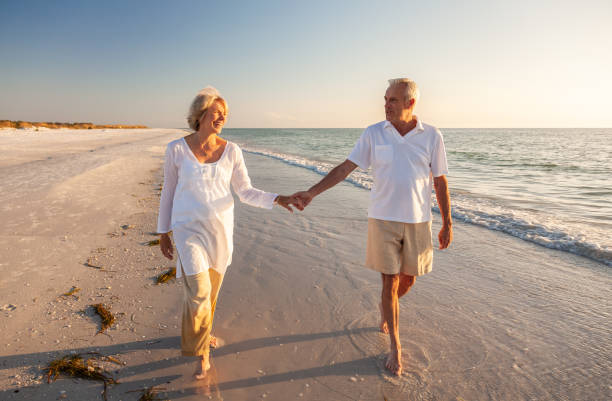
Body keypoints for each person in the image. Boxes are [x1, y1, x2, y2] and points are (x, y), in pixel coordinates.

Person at [293, 78, 452, 376]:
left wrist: (447, 223)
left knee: (408, 281)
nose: (386, 105)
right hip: (383, 219)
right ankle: (395, 344)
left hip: (419, 220)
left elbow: (440, 180)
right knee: (389, 282)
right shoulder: (374, 133)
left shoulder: (431, 135)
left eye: (393, 100)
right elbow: (345, 168)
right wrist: (312, 192)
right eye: (385, 99)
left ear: (410, 103)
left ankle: (386, 309)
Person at [157, 86, 301, 379]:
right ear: (200, 114)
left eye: (225, 114)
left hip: (219, 232)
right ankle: (202, 353)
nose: (222, 117)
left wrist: (277, 198)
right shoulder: (176, 149)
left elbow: (245, 192)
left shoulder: (232, 150)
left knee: (210, 294)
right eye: (217, 112)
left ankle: (203, 332)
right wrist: (163, 231)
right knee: (198, 290)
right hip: (187, 230)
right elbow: (168, 192)